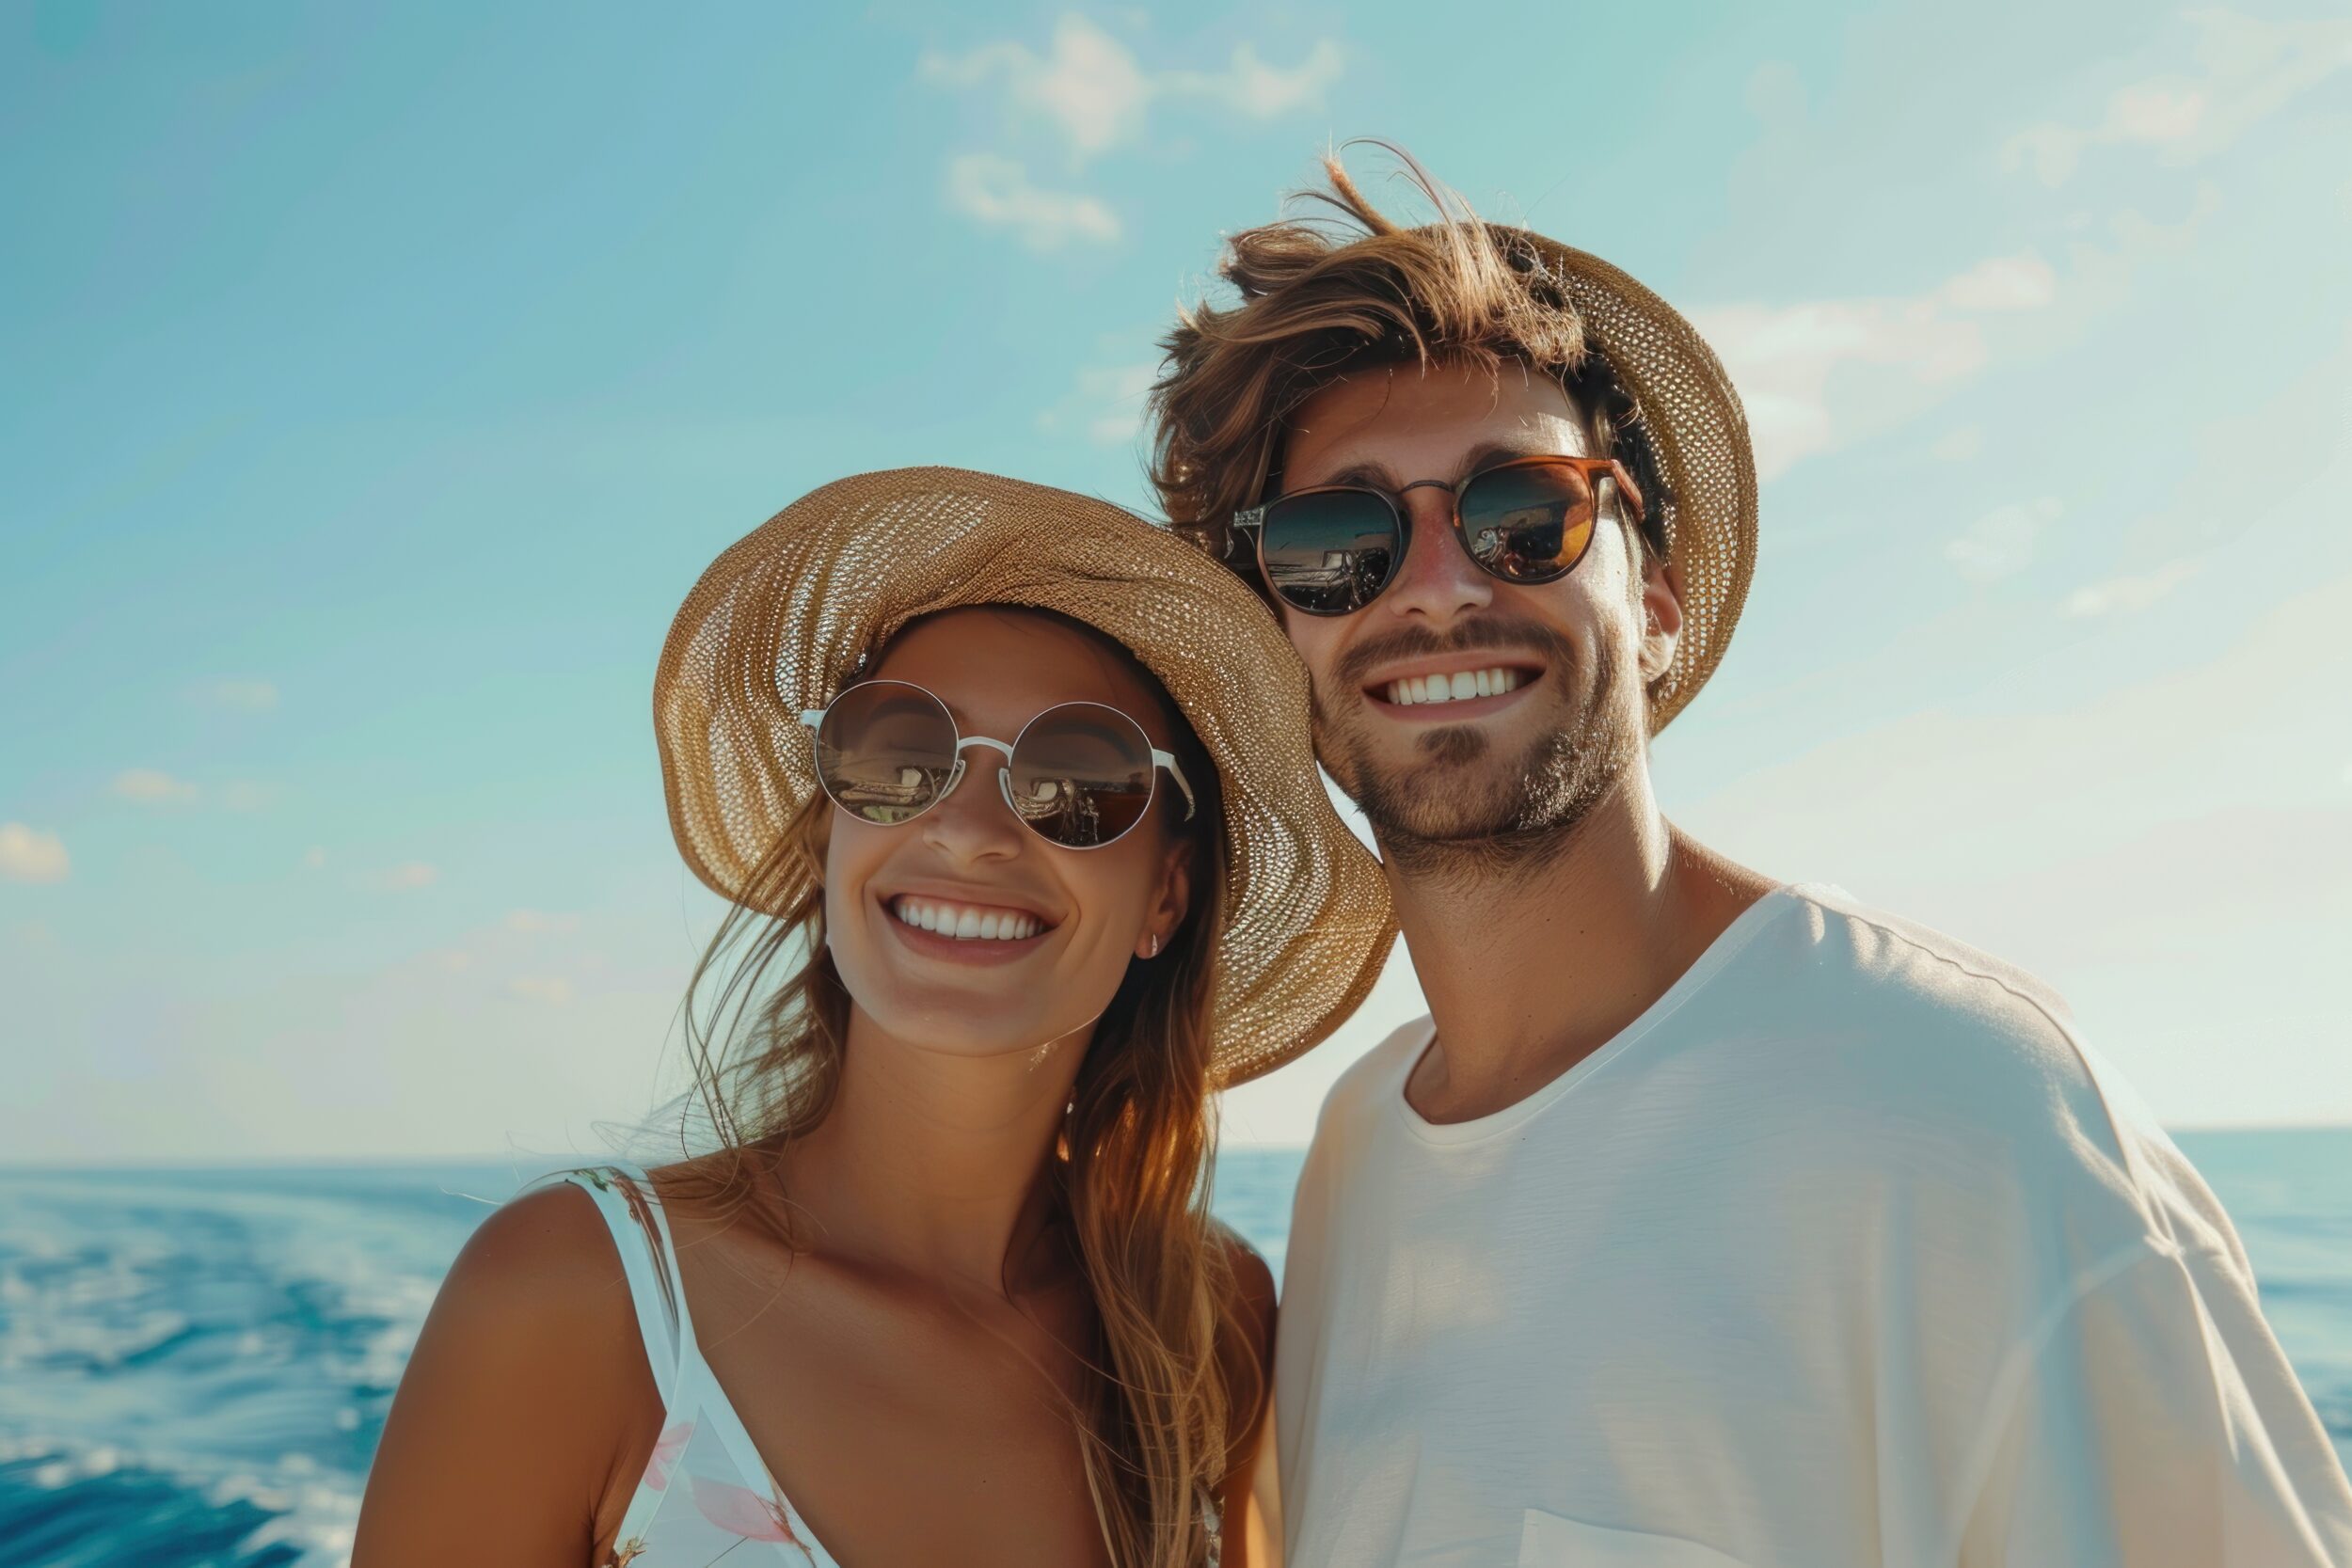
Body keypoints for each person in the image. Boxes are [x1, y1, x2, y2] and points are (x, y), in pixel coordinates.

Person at [1145, 151, 2352, 1567]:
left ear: (1652, 597)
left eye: (1520, 512)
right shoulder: (1354, 1156)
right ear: (1280, 637)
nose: (1440, 583)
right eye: (1339, 537)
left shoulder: (1969, 1113)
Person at [353, 468, 1392, 1568]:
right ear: (827, 835)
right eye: (899, 751)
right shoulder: (572, 1297)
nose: (970, 828)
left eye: (1078, 778)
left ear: (1165, 898)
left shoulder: (1209, 1324)